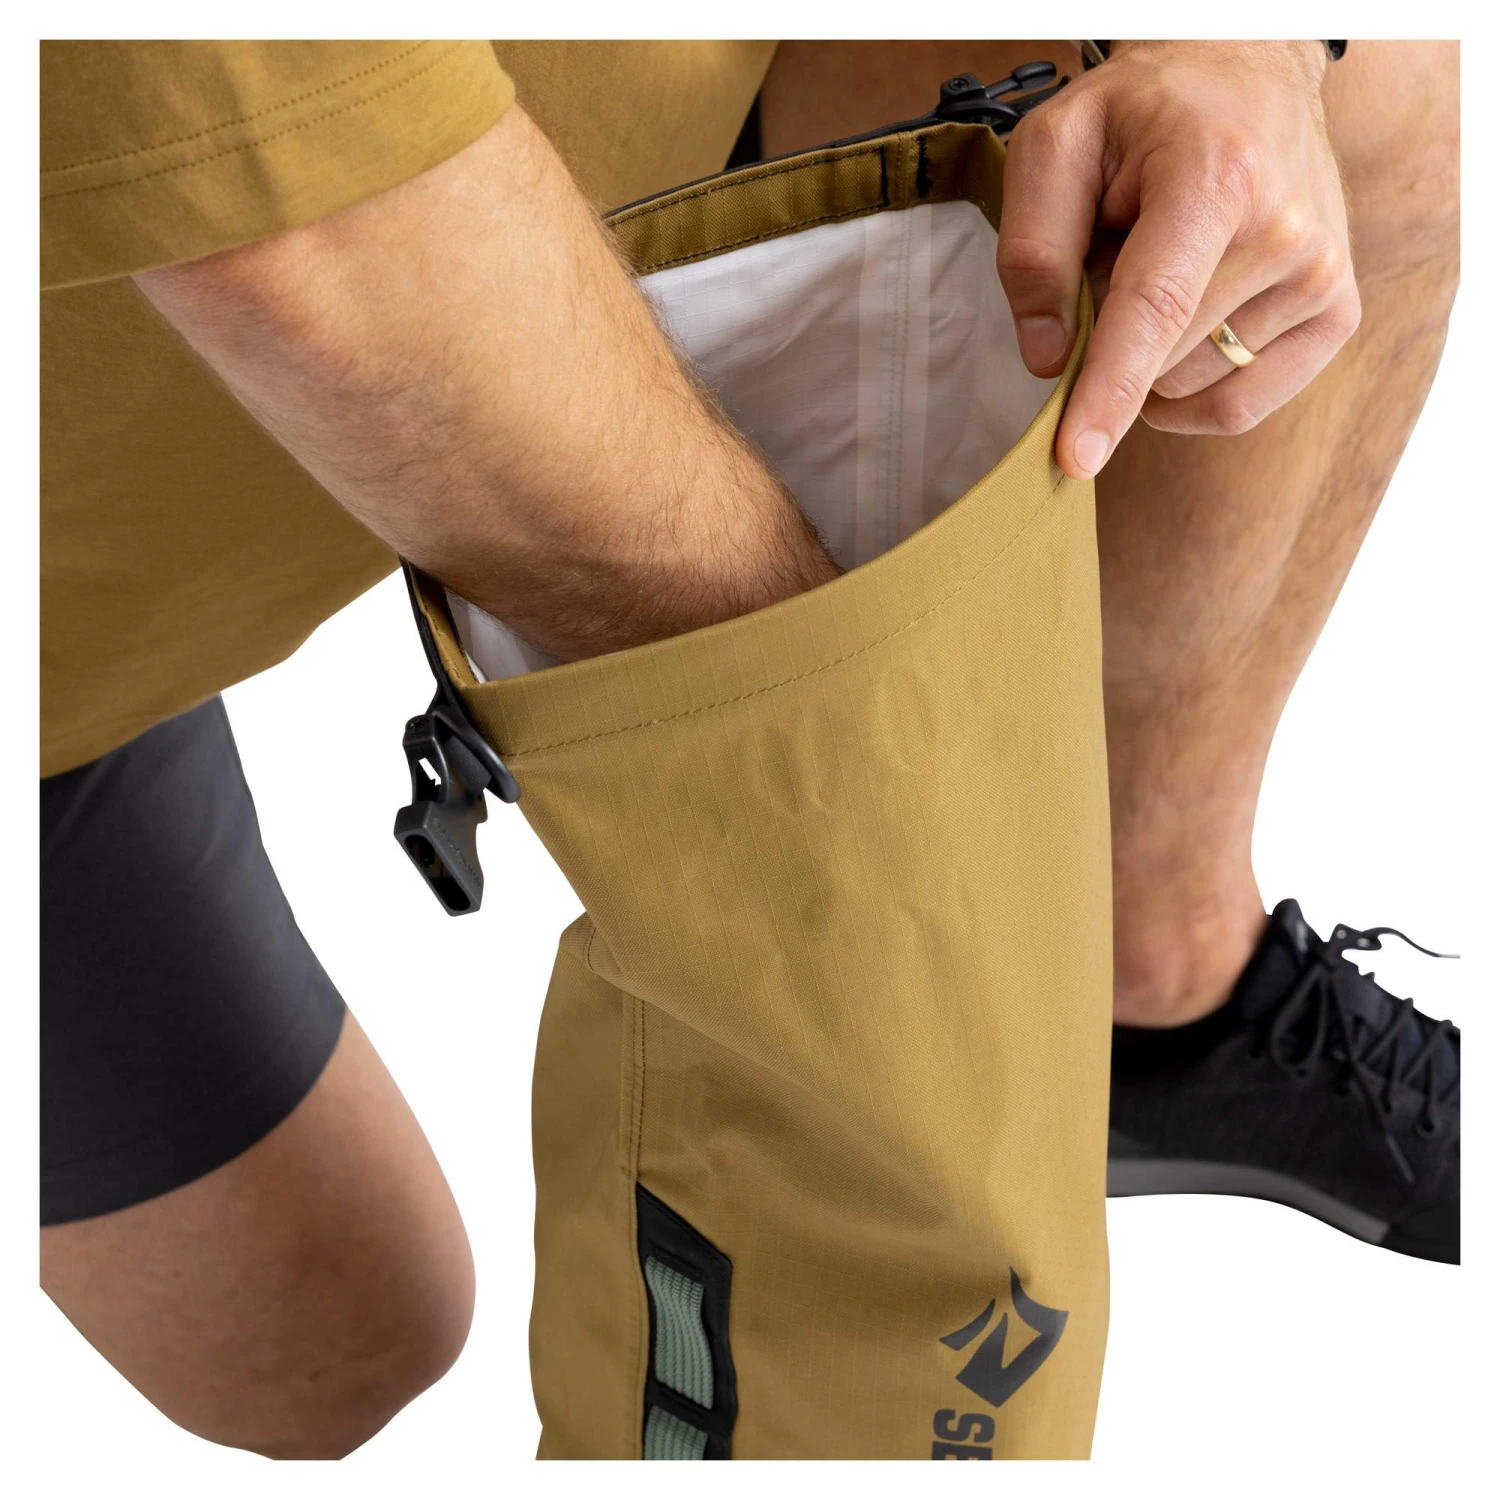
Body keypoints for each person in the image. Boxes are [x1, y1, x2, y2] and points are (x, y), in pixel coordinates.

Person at [39, 39, 1459, 1459]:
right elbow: (324, 250)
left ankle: (1147, 984)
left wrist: (1242, 47)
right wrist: (863, 816)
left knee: (1357, 86)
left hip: (475, 158)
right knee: (343, 1344)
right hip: (63, 617)